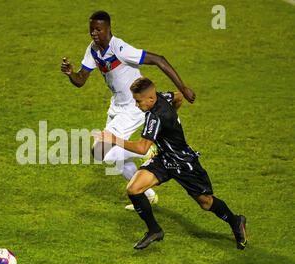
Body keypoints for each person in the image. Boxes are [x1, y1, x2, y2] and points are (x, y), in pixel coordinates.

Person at [94, 77, 247, 250]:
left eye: (138, 101)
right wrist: (172, 119)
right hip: (163, 158)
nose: (137, 105)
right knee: (133, 189)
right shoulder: (162, 96)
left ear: (150, 99)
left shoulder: (154, 117)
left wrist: (114, 139)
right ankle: (154, 230)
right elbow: (178, 96)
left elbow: (143, 148)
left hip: (183, 162)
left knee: (205, 202)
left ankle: (236, 221)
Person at [61, 10, 196, 207]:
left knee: (99, 152)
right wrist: (71, 73)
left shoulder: (120, 48)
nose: (94, 33)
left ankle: (147, 152)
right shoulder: (93, 49)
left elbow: (160, 59)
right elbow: (81, 80)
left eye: (98, 29)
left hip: (134, 106)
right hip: (117, 106)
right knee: (117, 159)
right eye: (91, 29)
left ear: (108, 29)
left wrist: (183, 87)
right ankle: (147, 194)